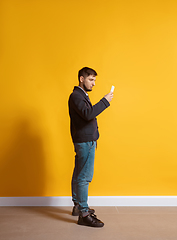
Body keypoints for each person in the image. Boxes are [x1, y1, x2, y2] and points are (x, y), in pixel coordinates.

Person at [68, 67, 113, 227]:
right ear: (82, 79)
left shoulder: (80, 95)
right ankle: (84, 213)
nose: (93, 83)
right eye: (91, 80)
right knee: (84, 177)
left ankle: (78, 206)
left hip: (85, 140)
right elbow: (88, 114)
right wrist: (105, 101)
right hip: (84, 142)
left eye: (94, 80)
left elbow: (86, 115)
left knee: (79, 173)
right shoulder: (76, 96)